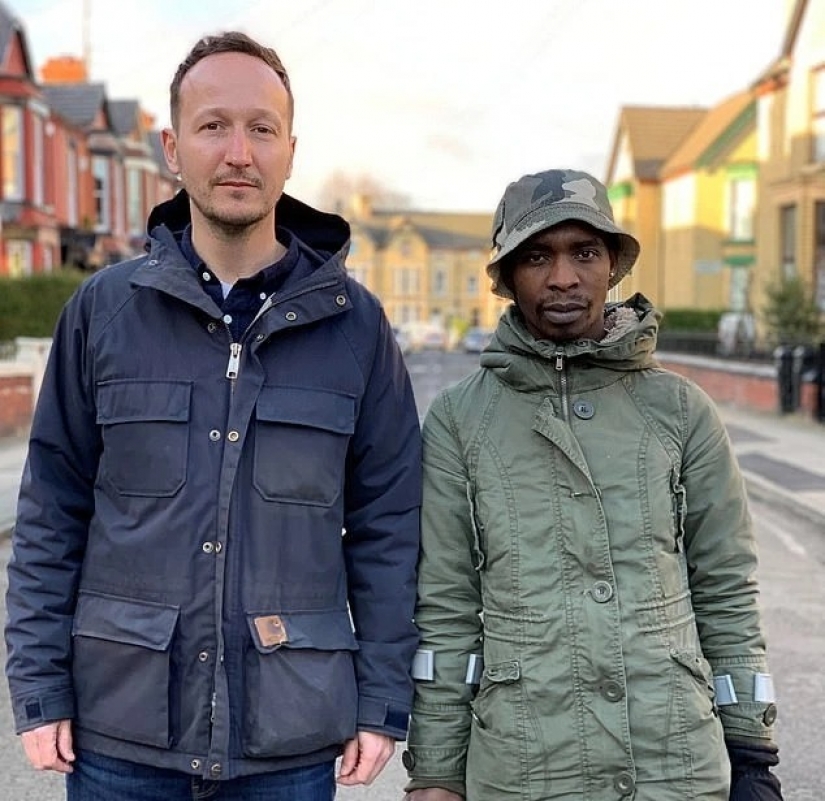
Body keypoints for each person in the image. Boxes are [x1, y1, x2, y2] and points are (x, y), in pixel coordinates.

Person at [5, 31, 422, 801]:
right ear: (171, 147)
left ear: (290, 150)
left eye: (261, 129)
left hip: (288, 745)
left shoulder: (356, 327)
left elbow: (389, 527)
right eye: (213, 126)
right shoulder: (102, 312)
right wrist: (37, 686)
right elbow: (51, 511)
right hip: (120, 738)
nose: (239, 152)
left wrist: (382, 698)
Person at [402, 169, 783, 800]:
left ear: (612, 265)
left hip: (674, 763)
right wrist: (437, 772)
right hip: (525, 766)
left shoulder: (681, 411)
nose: (562, 278)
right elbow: (446, 609)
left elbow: (726, 591)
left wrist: (750, 750)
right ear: (505, 277)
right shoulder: (459, 421)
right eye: (536, 256)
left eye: (584, 252)